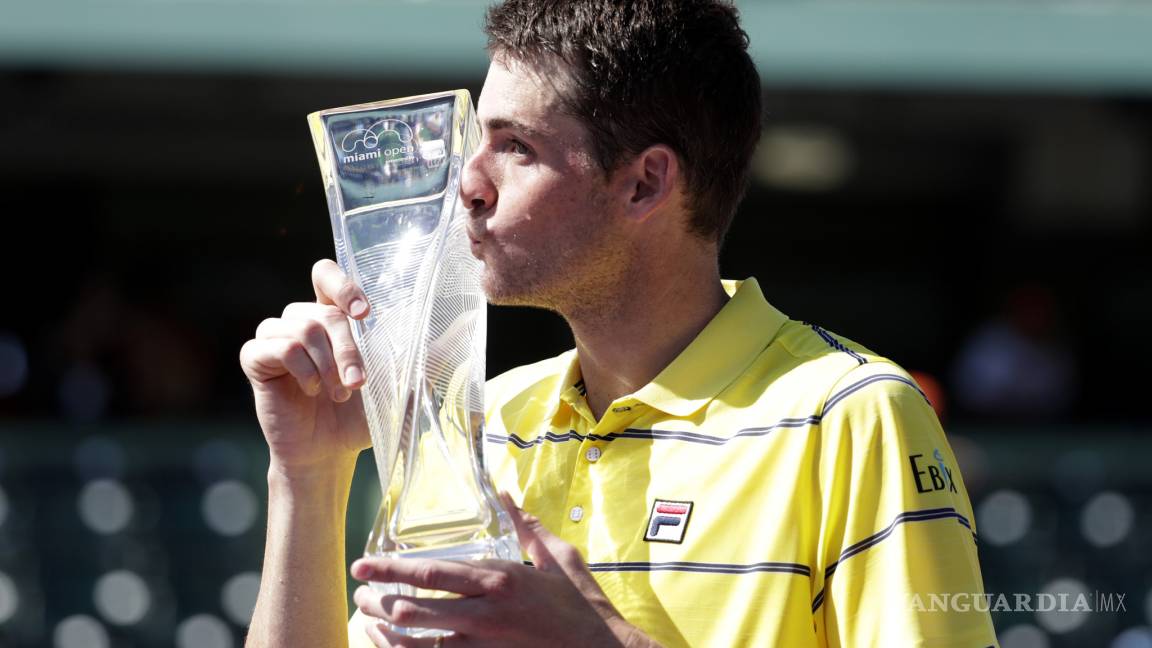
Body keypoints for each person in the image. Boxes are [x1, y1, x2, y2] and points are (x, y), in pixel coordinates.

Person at [240, 1, 999, 646]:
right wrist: (307, 475)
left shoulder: (851, 414)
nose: (466, 184)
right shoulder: (489, 420)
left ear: (644, 183)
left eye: (515, 147)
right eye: (478, 143)